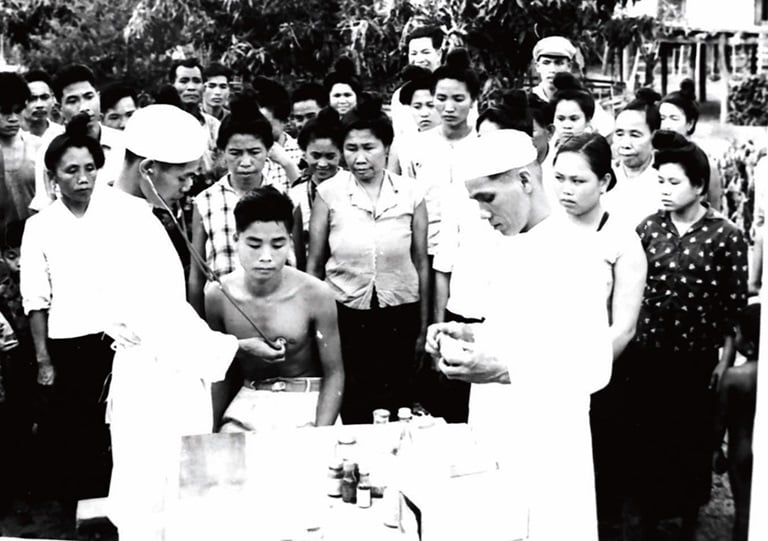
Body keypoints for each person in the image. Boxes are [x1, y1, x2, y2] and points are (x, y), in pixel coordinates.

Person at [106, 104, 289, 540]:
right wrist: (238, 347)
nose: (188, 187)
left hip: (162, 373)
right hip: (155, 382)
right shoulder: (127, 227)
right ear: (148, 169)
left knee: (169, 498)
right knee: (155, 504)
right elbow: (164, 328)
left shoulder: (132, 214)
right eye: (183, 177)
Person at [426, 128, 612, 540]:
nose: (481, 212)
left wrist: (502, 370)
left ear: (525, 180)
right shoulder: (508, 243)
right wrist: (468, 335)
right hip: (495, 429)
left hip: (548, 444)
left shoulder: (576, 251)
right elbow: (521, 331)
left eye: (487, 198)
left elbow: (595, 366)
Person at [624, 130, 748, 540]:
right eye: (660, 181)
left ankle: (688, 515)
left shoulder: (726, 235)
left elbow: (733, 307)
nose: (664, 189)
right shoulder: (647, 229)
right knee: (650, 434)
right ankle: (650, 513)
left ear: (698, 186)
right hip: (649, 353)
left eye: (674, 182)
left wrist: (724, 361)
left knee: (691, 437)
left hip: (696, 358)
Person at [306, 98, 429, 424]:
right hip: (344, 313)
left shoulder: (411, 193)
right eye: (351, 148)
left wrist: (424, 325)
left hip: (401, 312)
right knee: (355, 401)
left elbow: (420, 260)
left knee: (399, 401)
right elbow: (315, 263)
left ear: (386, 147)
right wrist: (313, 325)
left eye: (369, 148)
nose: (359, 158)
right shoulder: (329, 193)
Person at [552, 132, 647, 535]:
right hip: (544, 371)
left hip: (599, 378)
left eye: (578, 181)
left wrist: (578, 376)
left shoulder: (622, 240)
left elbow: (623, 328)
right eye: (559, 178)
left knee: (598, 488)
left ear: (605, 181)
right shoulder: (543, 230)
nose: (566, 190)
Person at [19, 113, 115, 503]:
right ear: (53, 177)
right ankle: (83, 508)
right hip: (70, 344)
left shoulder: (116, 217)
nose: (83, 178)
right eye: (71, 170)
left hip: (117, 339)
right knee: (79, 428)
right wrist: (44, 360)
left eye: (90, 168)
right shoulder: (40, 227)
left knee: (117, 425)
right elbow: (35, 299)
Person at [205, 187, 343, 432]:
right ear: (236, 239)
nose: (266, 256)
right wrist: (210, 431)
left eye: (277, 245)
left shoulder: (316, 293)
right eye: (254, 244)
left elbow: (334, 374)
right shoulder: (218, 295)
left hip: (308, 400)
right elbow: (220, 374)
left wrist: (321, 434)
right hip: (249, 401)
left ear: (290, 241)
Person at [188, 96, 288, 316]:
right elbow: (197, 272)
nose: (245, 162)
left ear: (268, 150)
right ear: (222, 151)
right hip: (223, 313)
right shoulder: (205, 201)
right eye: (235, 153)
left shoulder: (284, 195)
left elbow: (296, 259)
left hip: (279, 311)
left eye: (254, 152)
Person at [29, 63, 125, 212]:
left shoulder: (123, 144)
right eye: (73, 101)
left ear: (98, 97)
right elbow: (44, 205)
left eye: (89, 97)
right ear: (59, 108)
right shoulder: (49, 150)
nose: (84, 107)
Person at [713, 303, 759, 541]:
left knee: (743, 511)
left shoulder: (734, 378)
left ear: (749, 344)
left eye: (738, 332)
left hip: (741, 454)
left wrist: (715, 451)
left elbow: (719, 423)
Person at [289, 107, 344, 268]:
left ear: (341, 154)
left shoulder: (353, 187)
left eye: (330, 156)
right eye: (316, 156)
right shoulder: (296, 194)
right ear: (304, 154)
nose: (322, 164)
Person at [530, 35, 613, 137]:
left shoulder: (580, 99)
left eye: (559, 63)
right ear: (537, 66)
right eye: (546, 63)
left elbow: (608, 130)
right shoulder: (530, 99)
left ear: (569, 66)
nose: (552, 69)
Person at [602, 89, 662, 230]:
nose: (625, 144)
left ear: (654, 136)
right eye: (619, 134)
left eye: (635, 135)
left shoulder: (666, 179)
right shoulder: (603, 174)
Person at [660, 79, 723, 211]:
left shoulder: (706, 165)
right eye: (662, 118)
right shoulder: (652, 161)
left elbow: (715, 212)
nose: (666, 125)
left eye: (673, 118)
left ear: (690, 123)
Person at [0, 72, 41, 236]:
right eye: (5, 112)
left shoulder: (39, 147)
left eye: (18, 111)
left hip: (36, 237)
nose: (13, 118)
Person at [169, 58, 220, 179]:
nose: (191, 87)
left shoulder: (214, 126)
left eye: (196, 81)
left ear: (204, 87)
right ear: (172, 86)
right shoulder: (163, 124)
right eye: (184, 81)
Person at [390, 25, 444, 137]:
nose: (419, 59)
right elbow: (399, 136)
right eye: (414, 54)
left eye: (425, 52)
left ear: (439, 54)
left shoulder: (456, 90)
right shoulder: (399, 96)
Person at [387, 65, 441, 176]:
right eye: (417, 107)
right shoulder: (403, 144)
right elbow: (392, 180)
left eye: (431, 105)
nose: (424, 113)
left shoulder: (457, 141)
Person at [22, 69, 57, 138]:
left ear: (53, 99)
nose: (39, 105)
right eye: (31, 99)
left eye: (45, 97)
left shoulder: (63, 134)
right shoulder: (9, 137)